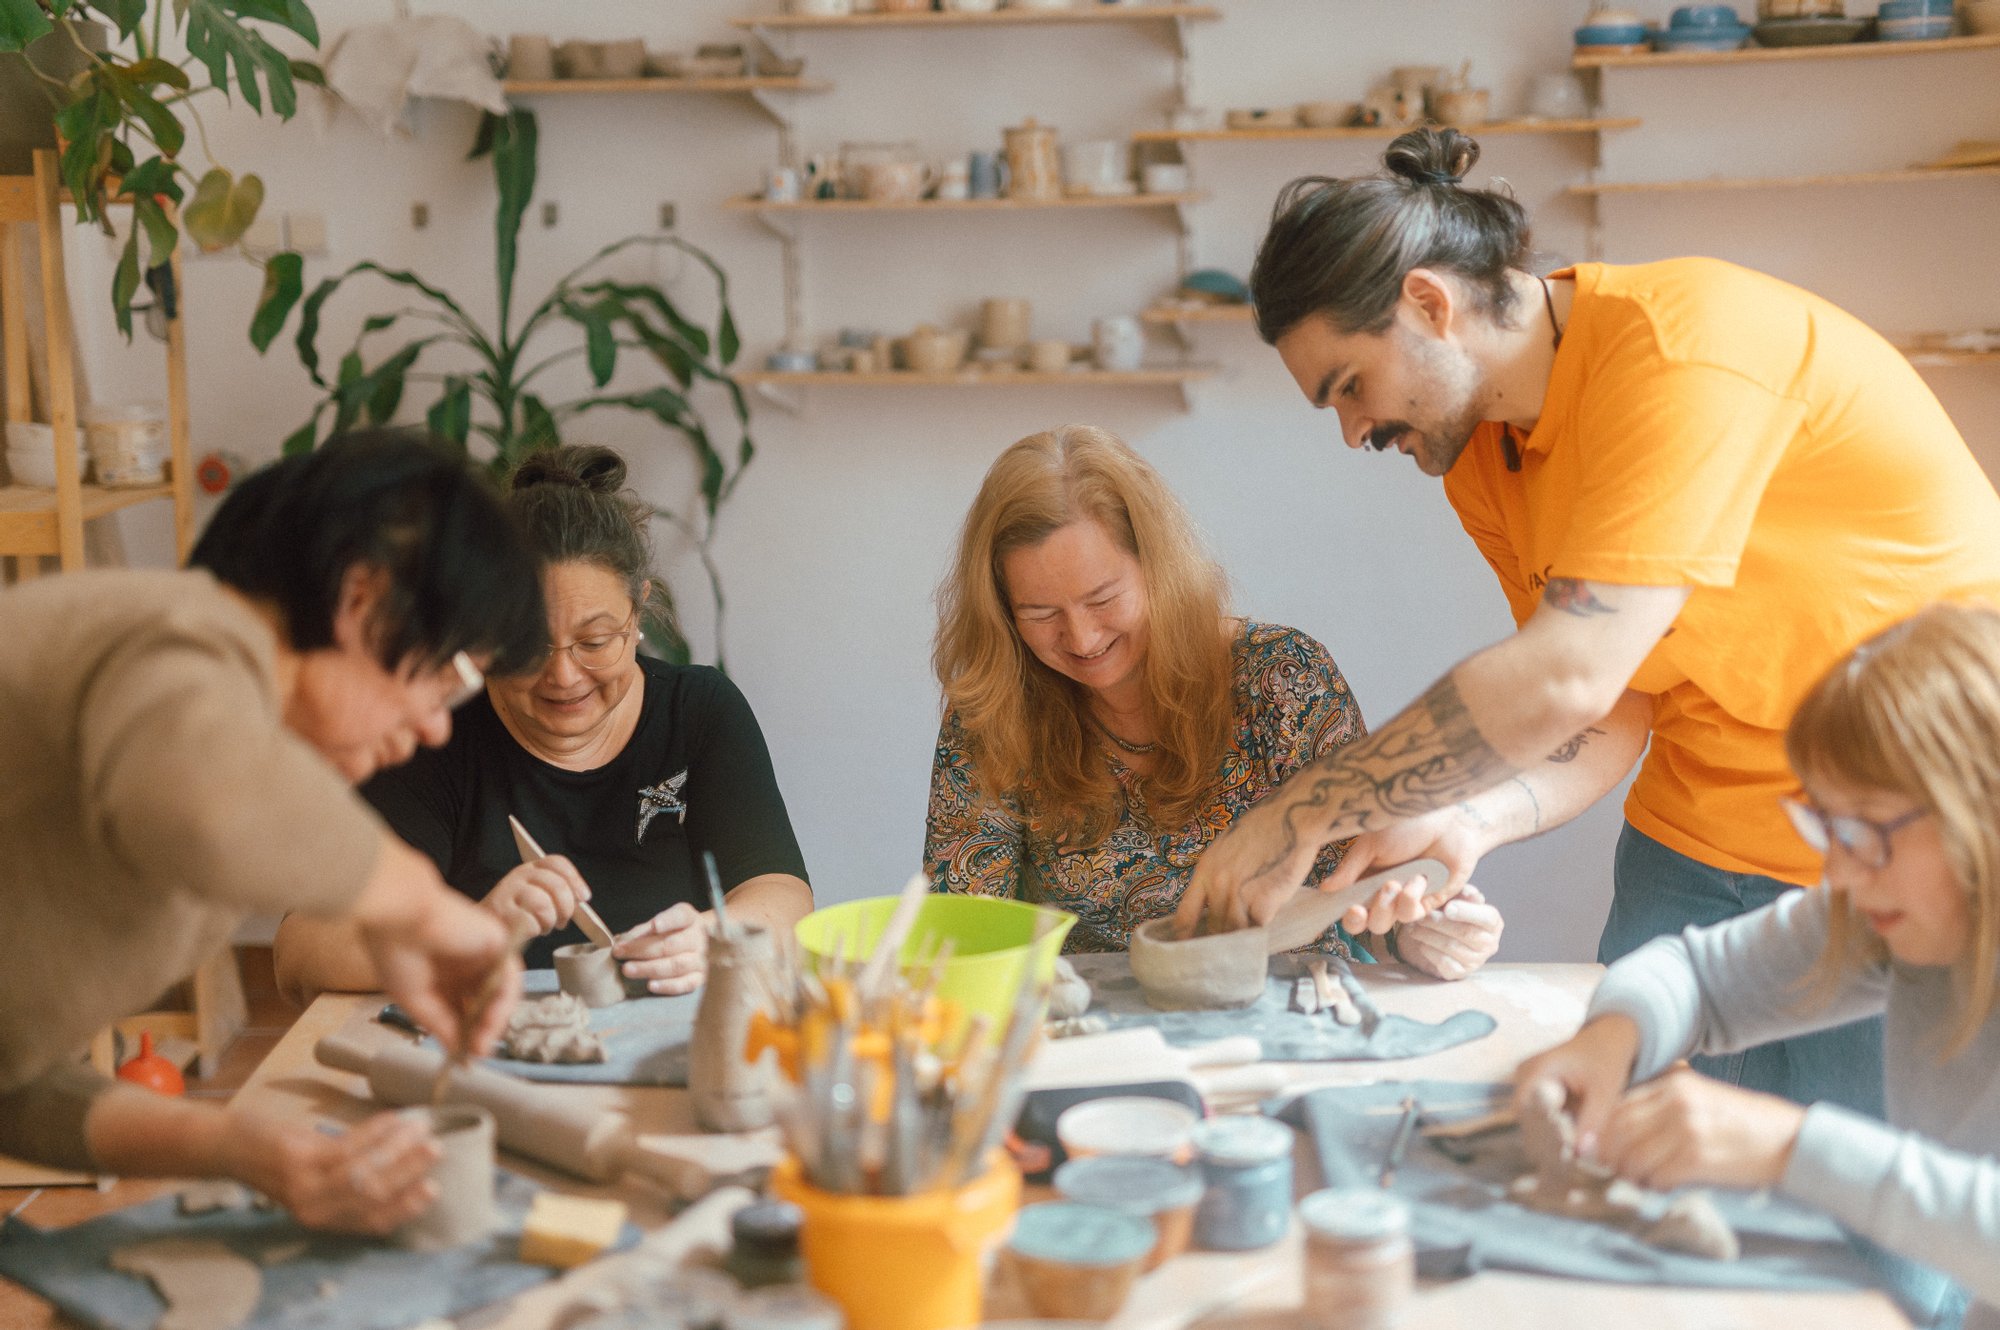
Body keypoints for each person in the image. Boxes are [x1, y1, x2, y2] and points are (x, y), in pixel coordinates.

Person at [1175, 127, 2000, 1115]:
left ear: (1428, 305)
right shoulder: (1484, 454)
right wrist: (1462, 817)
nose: (1354, 431)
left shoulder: (1682, 350)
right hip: (1695, 840)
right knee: (1623, 1183)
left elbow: (1563, 670)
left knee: (1875, 1241)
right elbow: (1608, 698)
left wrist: (1296, 811)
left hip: (1906, 838)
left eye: (1348, 386)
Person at [0, 430, 544, 1233]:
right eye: (449, 680)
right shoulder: (182, 635)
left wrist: (244, 1148)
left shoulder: (220, 771)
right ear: (363, 601)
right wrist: (415, 902)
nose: (436, 729)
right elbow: (201, 803)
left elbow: (14, 1078)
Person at [1515, 603, 2000, 1329]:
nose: (1835, 869)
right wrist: (1610, 1039)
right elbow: (1701, 975)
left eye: (1863, 829)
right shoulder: (1906, 906)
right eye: (1824, 825)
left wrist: (1786, 1146)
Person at [926, 424, 1503, 978]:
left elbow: (1362, 888)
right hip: (1094, 1030)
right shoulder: (992, 714)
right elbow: (965, 933)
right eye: (1041, 614)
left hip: (1288, 1014)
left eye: (1103, 598)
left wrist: (1419, 931)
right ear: (1002, 612)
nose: (1081, 637)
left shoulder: (1282, 680)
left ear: (1157, 568)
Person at [274, 444, 811, 1002]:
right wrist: (473, 935)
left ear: (639, 613)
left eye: (595, 642)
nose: (563, 675)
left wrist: (717, 937)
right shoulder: (438, 738)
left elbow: (782, 898)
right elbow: (301, 950)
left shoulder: (700, 713)